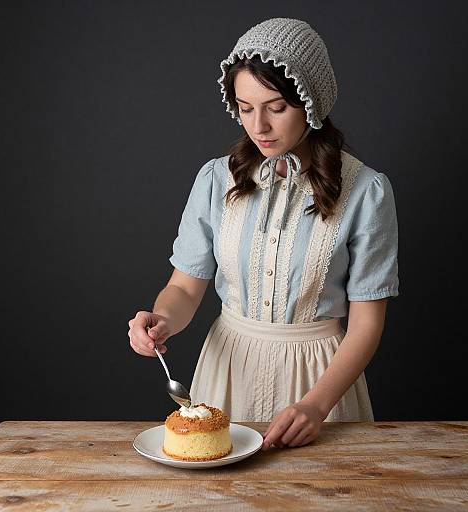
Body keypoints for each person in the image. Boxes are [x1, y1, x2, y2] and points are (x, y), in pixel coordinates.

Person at [128, 17, 399, 450]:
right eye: (245, 107)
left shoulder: (366, 191)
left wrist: (316, 405)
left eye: (276, 107)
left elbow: (367, 322)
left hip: (320, 379)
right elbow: (184, 287)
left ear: (311, 102)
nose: (259, 127)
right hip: (228, 369)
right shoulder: (217, 179)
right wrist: (163, 321)